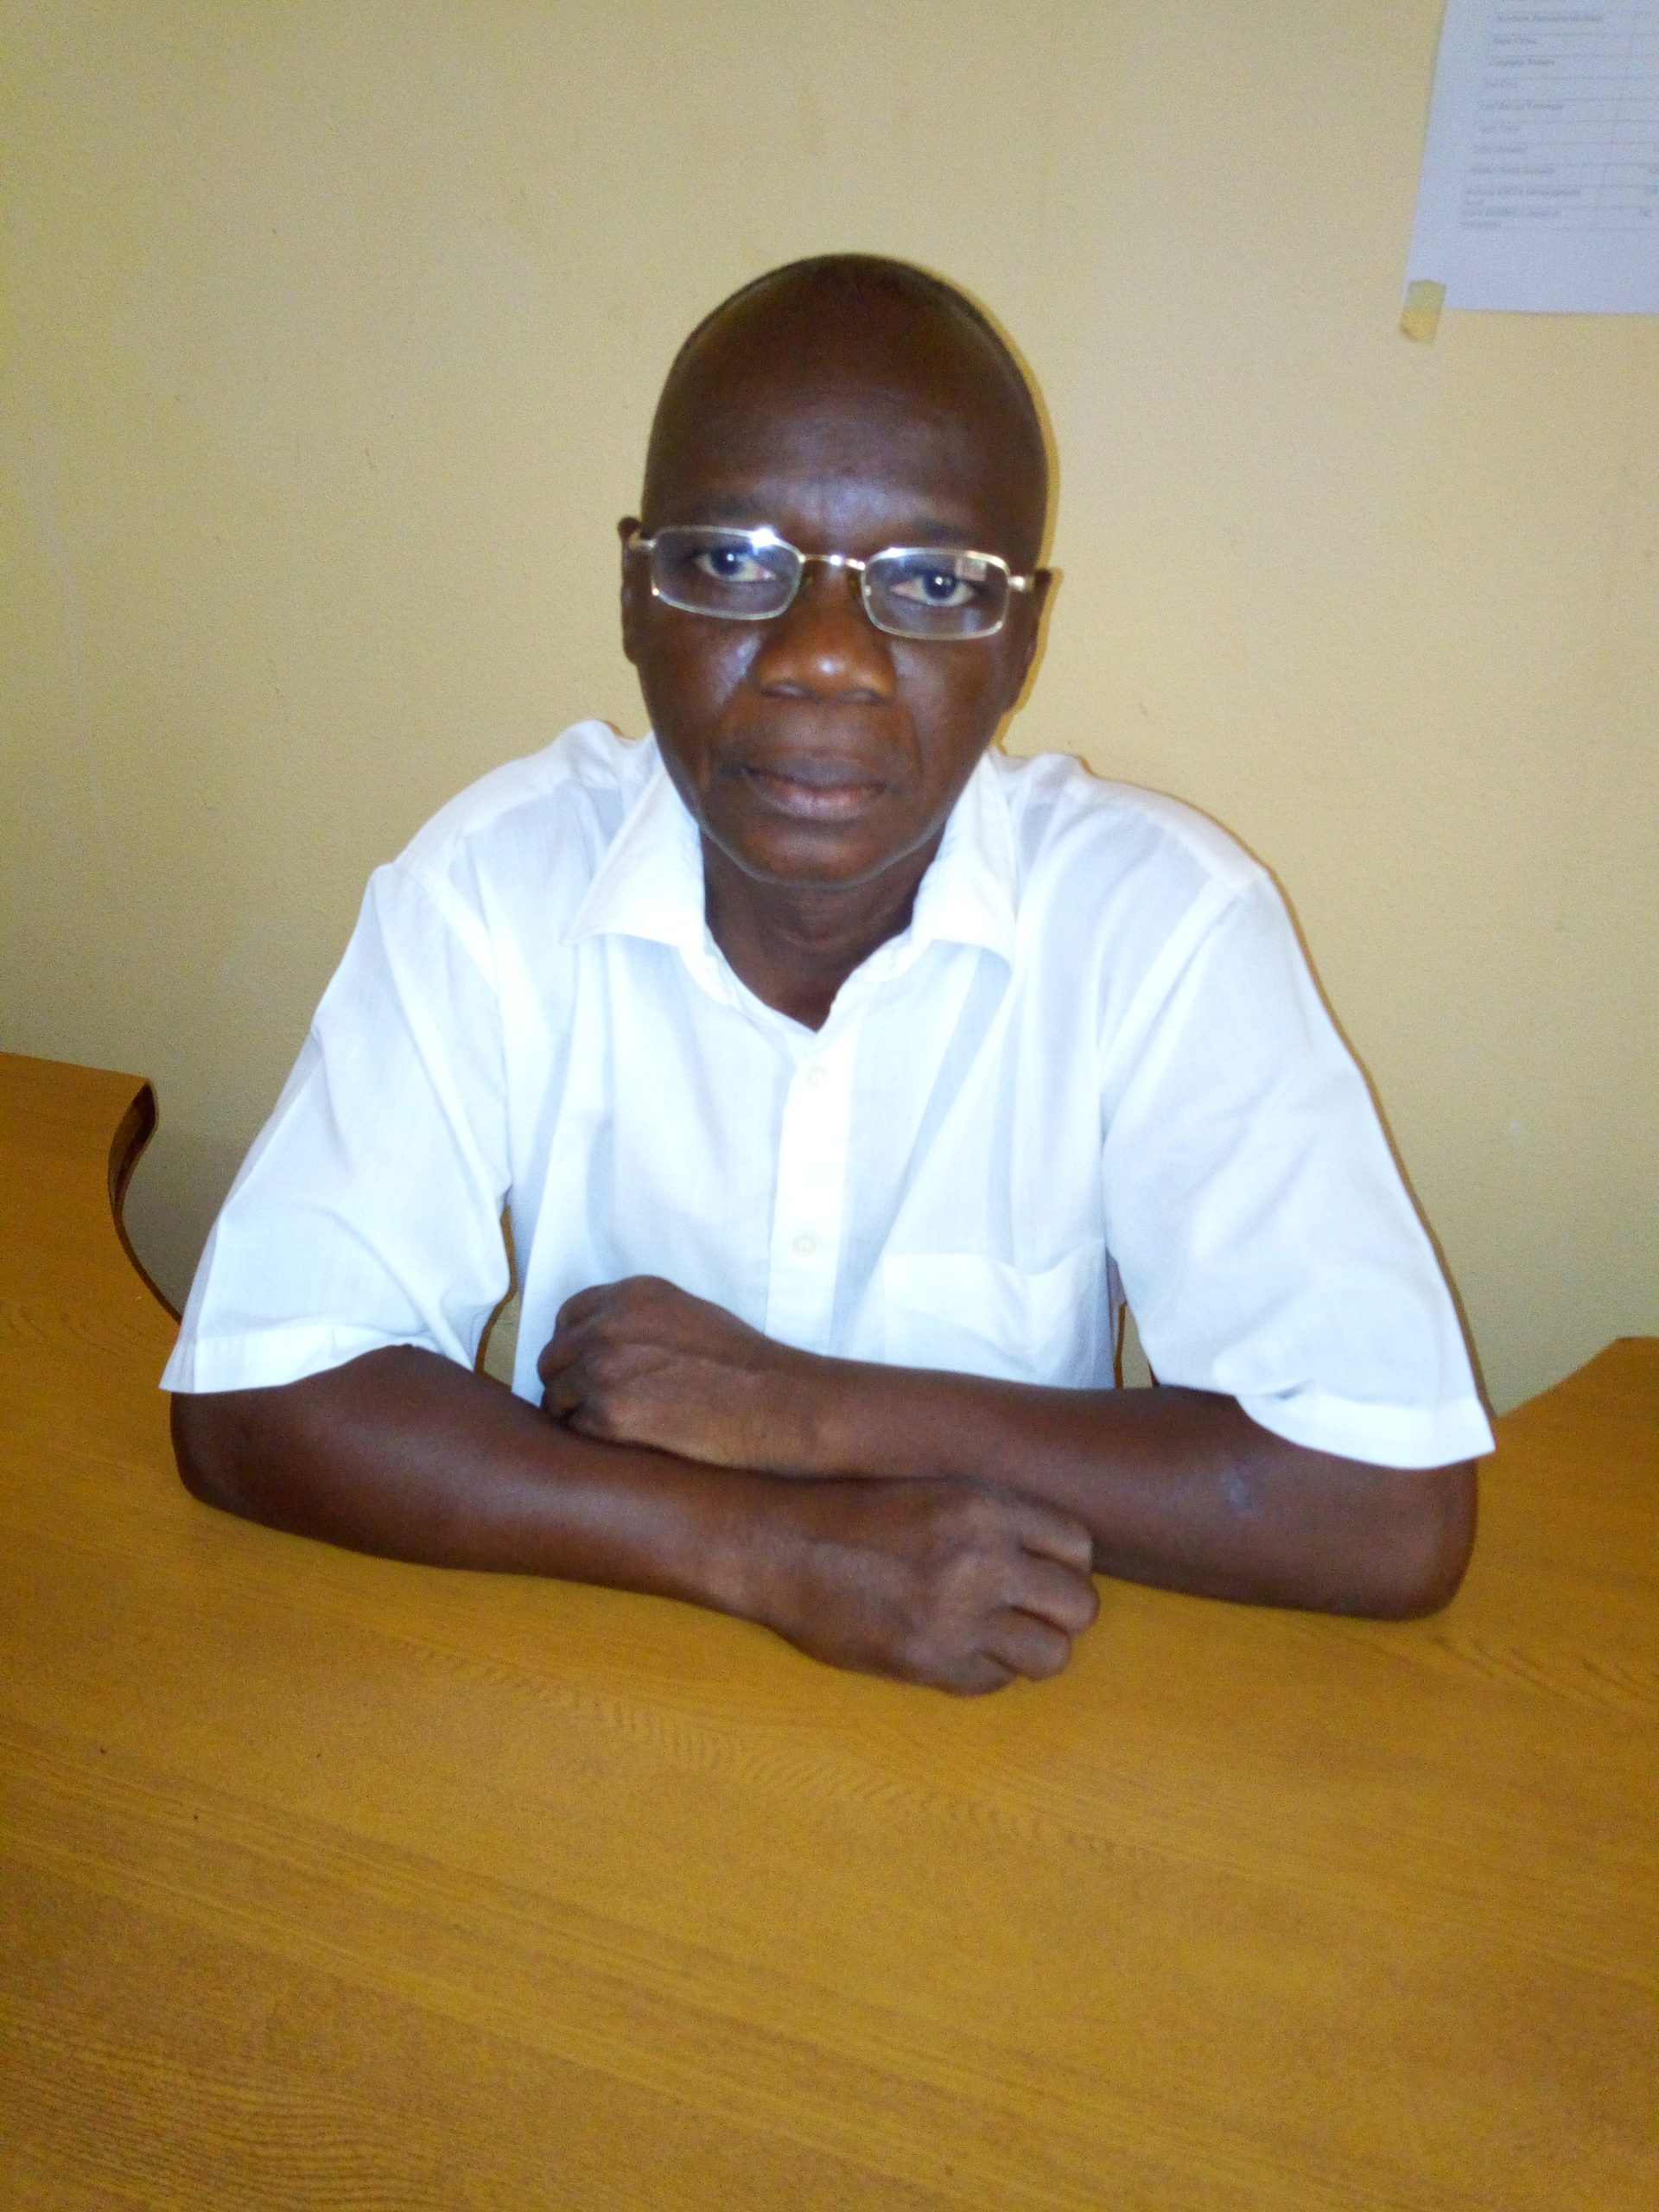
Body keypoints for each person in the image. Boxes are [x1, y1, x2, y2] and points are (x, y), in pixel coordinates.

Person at [166, 255, 1493, 1694]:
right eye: (733, 562)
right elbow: (256, 1393)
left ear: (1022, 641)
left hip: (1000, 1722)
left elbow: (1383, 1508)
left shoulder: (1159, 927)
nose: (822, 658)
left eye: (933, 584)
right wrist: (768, 1551)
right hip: (595, 1679)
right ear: (635, 595)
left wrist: (798, 1411)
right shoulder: (498, 880)